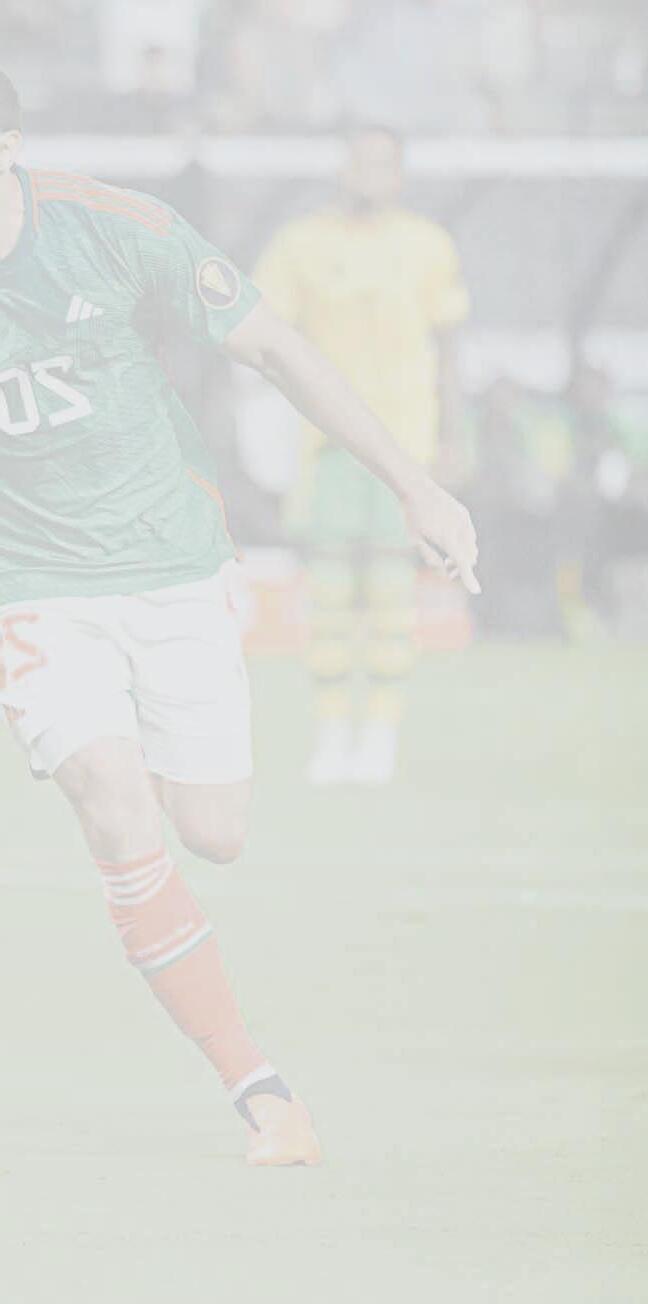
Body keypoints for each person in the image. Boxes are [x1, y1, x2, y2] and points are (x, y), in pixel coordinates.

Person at [0, 74, 478, 1166]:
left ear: (8, 142)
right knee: (110, 798)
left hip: (170, 563)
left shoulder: (114, 229)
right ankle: (262, 1093)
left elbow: (277, 350)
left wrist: (414, 486)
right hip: (31, 586)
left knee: (213, 832)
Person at [255, 126, 471, 784]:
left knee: (389, 590)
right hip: (326, 445)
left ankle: (378, 733)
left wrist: (452, 438)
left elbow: (450, 348)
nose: (370, 174)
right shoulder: (299, 244)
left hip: (405, 445)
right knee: (327, 592)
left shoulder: (428, 245)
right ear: (341, 168)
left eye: (383, 164)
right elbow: (264, 338)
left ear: (399, 174)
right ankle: (330, 733)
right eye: (360, 161)